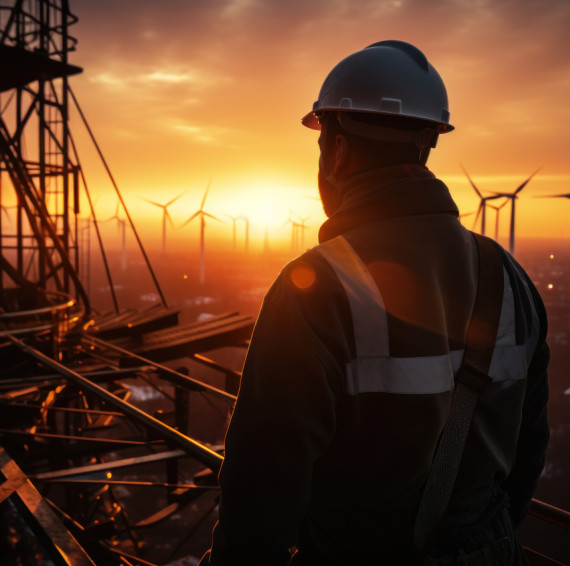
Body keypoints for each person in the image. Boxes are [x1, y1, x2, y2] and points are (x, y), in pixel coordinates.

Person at [200, 40, 549, 566]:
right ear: (429, 140)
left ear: (336, 150)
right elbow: (528, 454)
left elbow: (263, 489)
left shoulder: (315, 287)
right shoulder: (512, 281)